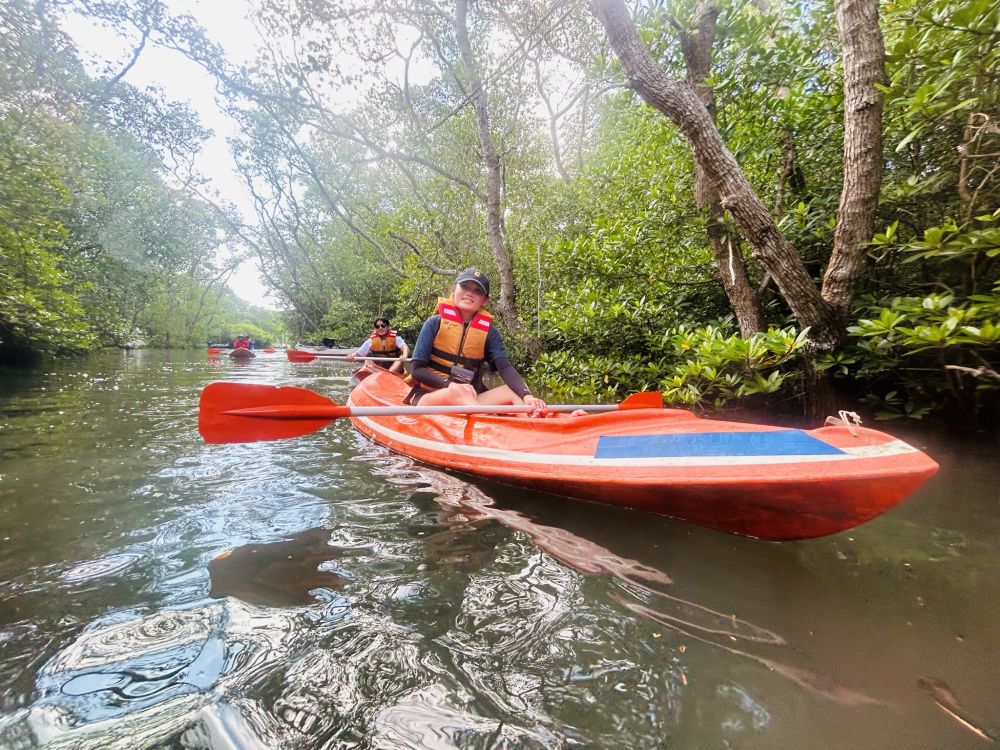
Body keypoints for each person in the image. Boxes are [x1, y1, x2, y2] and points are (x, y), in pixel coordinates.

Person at [406, 268, 548, 416]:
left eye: (478, 291)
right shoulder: (434, 323)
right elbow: (417, 370)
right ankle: (488, 426)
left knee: (514, 392)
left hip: (470, 399)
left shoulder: (490, 333)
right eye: (465, 287)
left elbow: (504, 367)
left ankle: (532, 424)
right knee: (459, 392)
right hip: (429, 398)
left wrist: (527, 396)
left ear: (484, 300)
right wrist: (449, 386)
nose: (470, 293)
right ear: (454, 289)